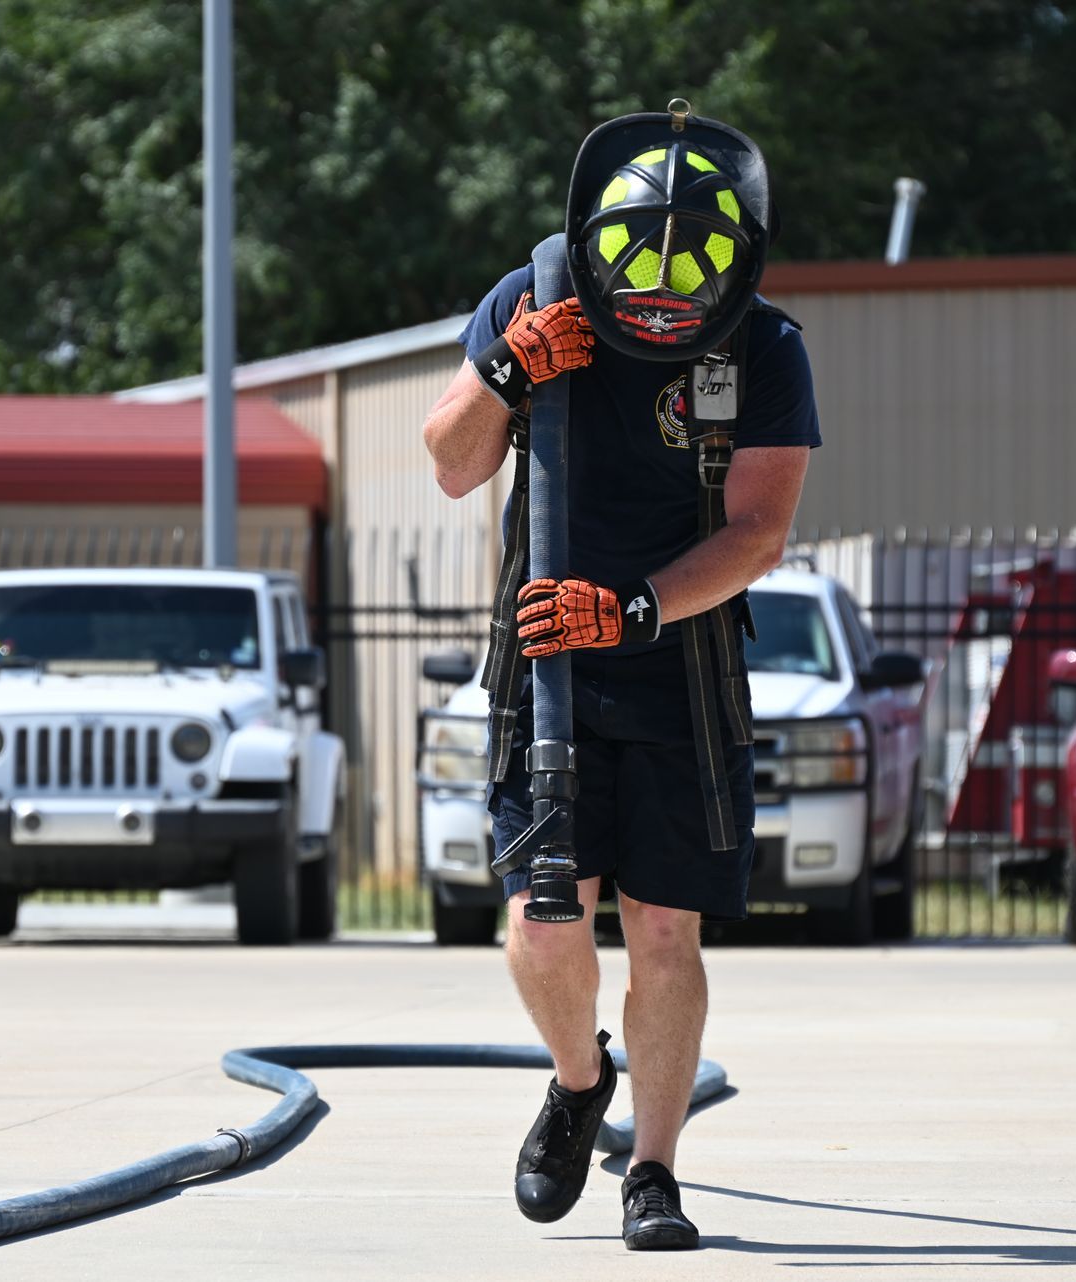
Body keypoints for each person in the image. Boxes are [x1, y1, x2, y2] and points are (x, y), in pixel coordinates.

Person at [420, 112, 820, 1250]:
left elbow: (757, 533)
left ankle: (653, 1171)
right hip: (543, 652)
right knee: (546, 923)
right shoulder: (531, 294)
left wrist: (635, 605)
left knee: (663, 929)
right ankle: (575, 1075)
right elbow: (451, 466)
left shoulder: (764, 349)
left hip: (678, 663)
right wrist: (506, 370)